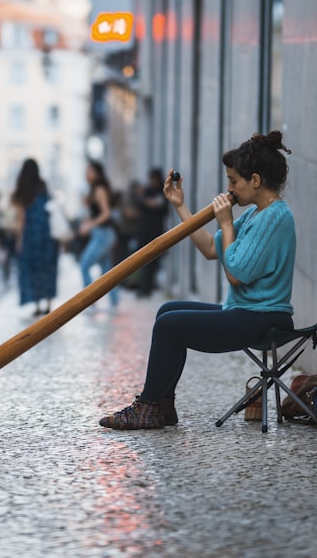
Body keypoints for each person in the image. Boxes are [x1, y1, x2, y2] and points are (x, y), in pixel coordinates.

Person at [99, 131, 297, 430]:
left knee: (170, 326)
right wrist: (180, 205)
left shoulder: (276, 217)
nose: (229, 188)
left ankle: (148, 407)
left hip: (265, 317)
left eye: (234, 181)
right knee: (168, 311)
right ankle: (162, 405)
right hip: (245, 311)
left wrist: (227, 223)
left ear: (255, 180)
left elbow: (236, 274)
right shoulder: (256, 214)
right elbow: (208, 249)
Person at [11, 159, 59, 316]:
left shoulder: (23, 190)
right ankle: (49, 303)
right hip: (47, 234)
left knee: (33, 270)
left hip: (31, 235)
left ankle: (38, 305)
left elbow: (21, 218)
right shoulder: (44, 186)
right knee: (48, 268)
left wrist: (19, 239)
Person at [78, 161, 119, 309]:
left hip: (103, 234)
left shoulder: (99, 190)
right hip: (102, 234)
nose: (87, 174)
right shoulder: (92, 190)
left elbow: (106, 213)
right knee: (107, 272)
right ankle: (115, 302)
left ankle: (89, 302)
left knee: (84, 265)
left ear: (97, 173)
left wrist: (90, 225)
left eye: (90, 171)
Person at [136, 168, 171, 296]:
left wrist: (152, 204)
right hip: (145, 232)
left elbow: (164, 209)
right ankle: (143, 288)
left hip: (156, 232)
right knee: (143, 261)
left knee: (154, 262)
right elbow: (140, 204)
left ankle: (148, 287)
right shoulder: (147, 191)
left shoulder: (162, 192)